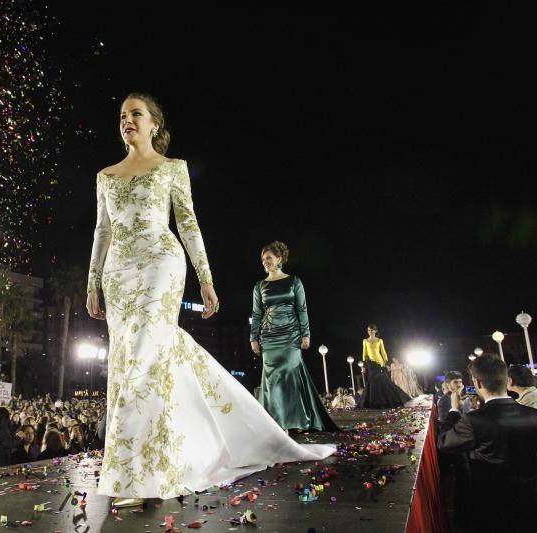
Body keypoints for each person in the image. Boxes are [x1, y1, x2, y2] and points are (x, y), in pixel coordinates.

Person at [86, 93, 334, 503]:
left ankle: (145, 477)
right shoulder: (105, 176)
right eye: (121, 116)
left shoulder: (172, 168)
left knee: (147, 355)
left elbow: (187, 222)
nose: (126, 121)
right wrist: (92, 281)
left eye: (135, 114)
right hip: (118, 274)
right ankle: (148, 462)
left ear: (154, 125)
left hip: (160, 264)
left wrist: (206, 278)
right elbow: (102, 230)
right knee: (127, 359)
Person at [437, 354, 537, 530]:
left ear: (477, 383)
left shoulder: (474, 420)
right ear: (506, 380)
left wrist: (454, 410)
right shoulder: (532, 414)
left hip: (491, 502)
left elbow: (444, 442)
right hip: (530, 499)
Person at [250, 241, 339, 432]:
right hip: (269, 336)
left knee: (290, 374)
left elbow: (302, 309)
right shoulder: (260, 286)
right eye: (263, 259)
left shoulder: (294, 282)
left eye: (269, 258)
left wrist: (306, 334)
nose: (265, 262)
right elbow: (257, 314)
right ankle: (277, 422)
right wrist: (253, 338)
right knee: (272, 378)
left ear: (279, 259)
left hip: (291, 335)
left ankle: (298, 420)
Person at [357, 324, 410, 408]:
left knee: (383, 380)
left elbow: (383, 353)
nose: (369, 332)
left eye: (371, 330)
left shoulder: (380, 340)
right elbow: (364, 354)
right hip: (370, 363)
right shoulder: (365, 341)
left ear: (375, 331)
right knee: (372, 381)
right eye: (368, 330)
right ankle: (373, 403)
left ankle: (391, 400)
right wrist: (363, 366)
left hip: (380, 363)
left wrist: (386, 364)